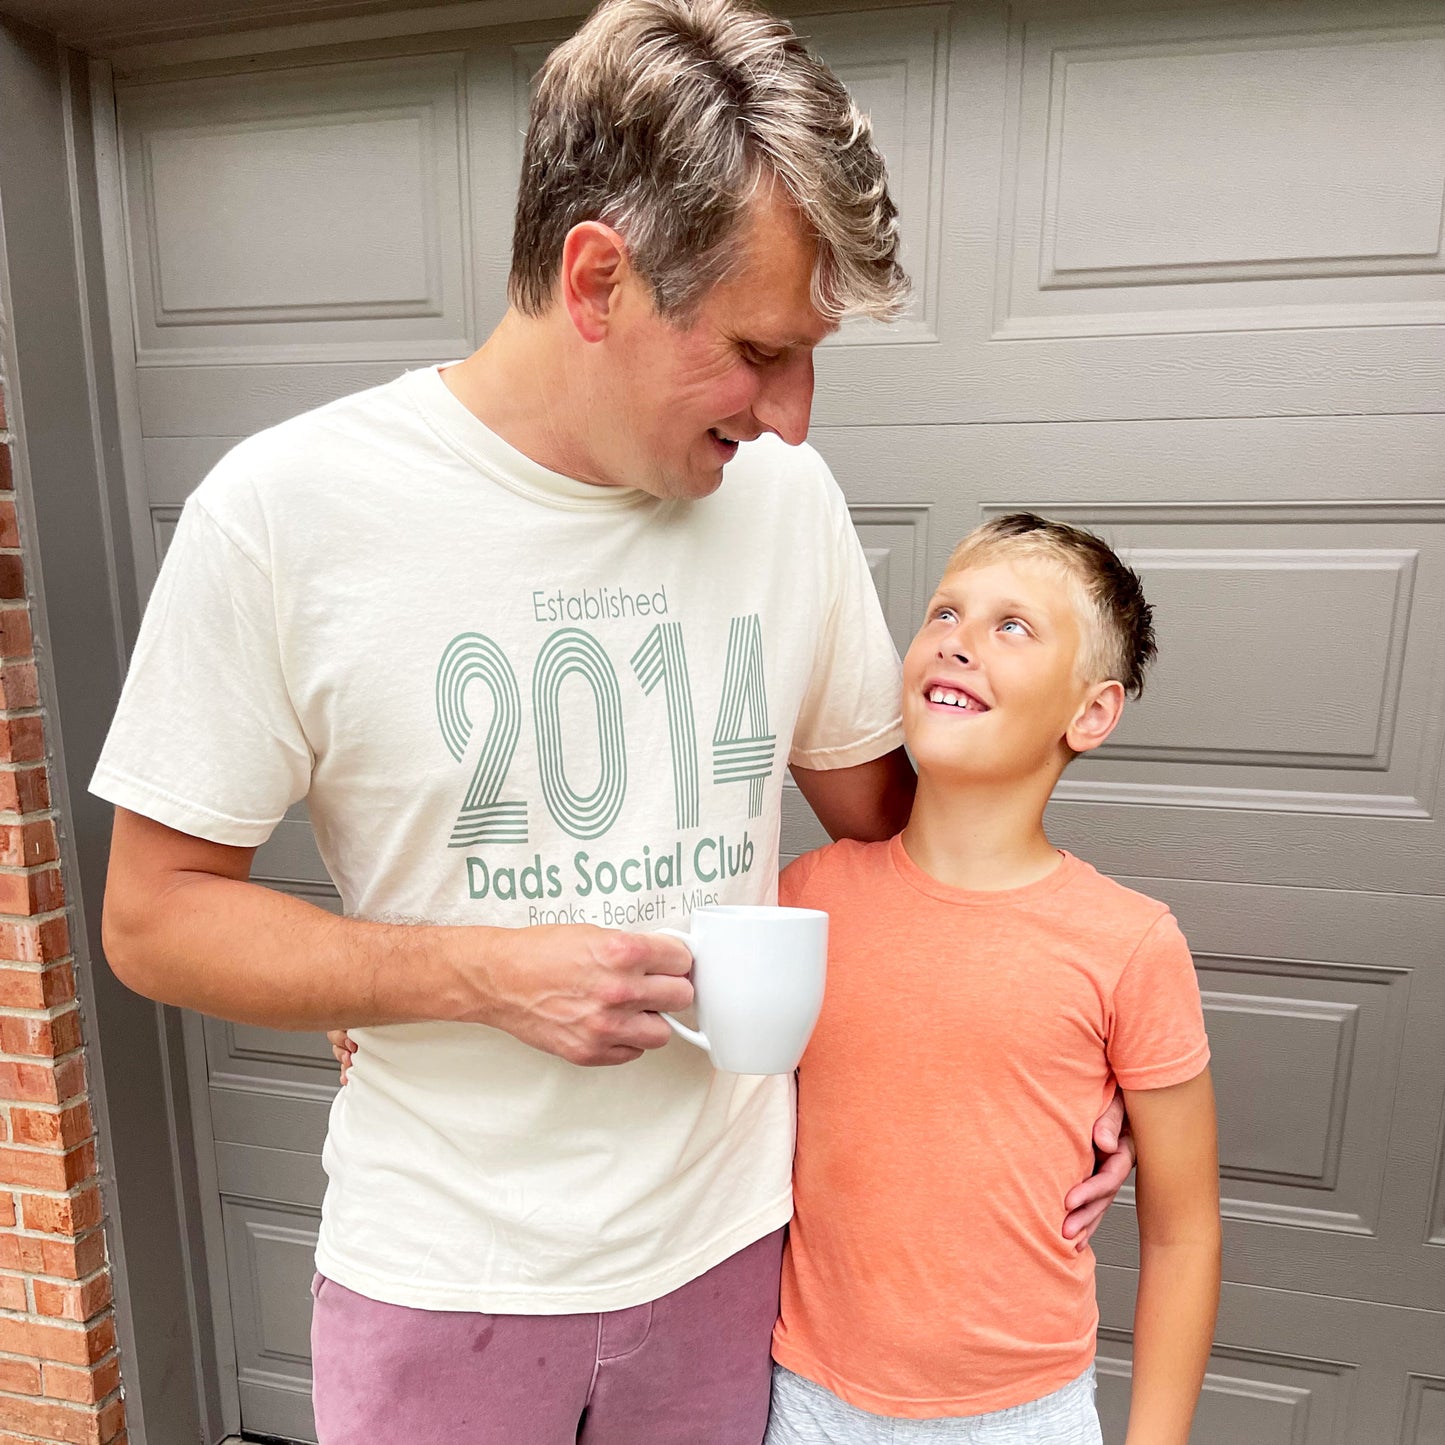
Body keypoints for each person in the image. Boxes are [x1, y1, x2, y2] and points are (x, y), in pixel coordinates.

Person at [92, 1, 1132, 1440]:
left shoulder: (786, 510)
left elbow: (915, 851)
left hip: (730, 1262)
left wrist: (1054, 1056)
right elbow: (151, 919)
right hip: (438, 1280)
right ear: (597, 279)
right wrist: (466, 973)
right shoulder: (285, 517)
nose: (795, 416)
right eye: (761, 349)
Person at [764, 512, 1221, 1445]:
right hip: (806, 1402)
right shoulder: (797, 903)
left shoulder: (1128, 944)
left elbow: (1183, 1231)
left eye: (1011, 626)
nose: (957, 640)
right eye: (943, 612)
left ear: (1089, 712)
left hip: (1023, 1417)